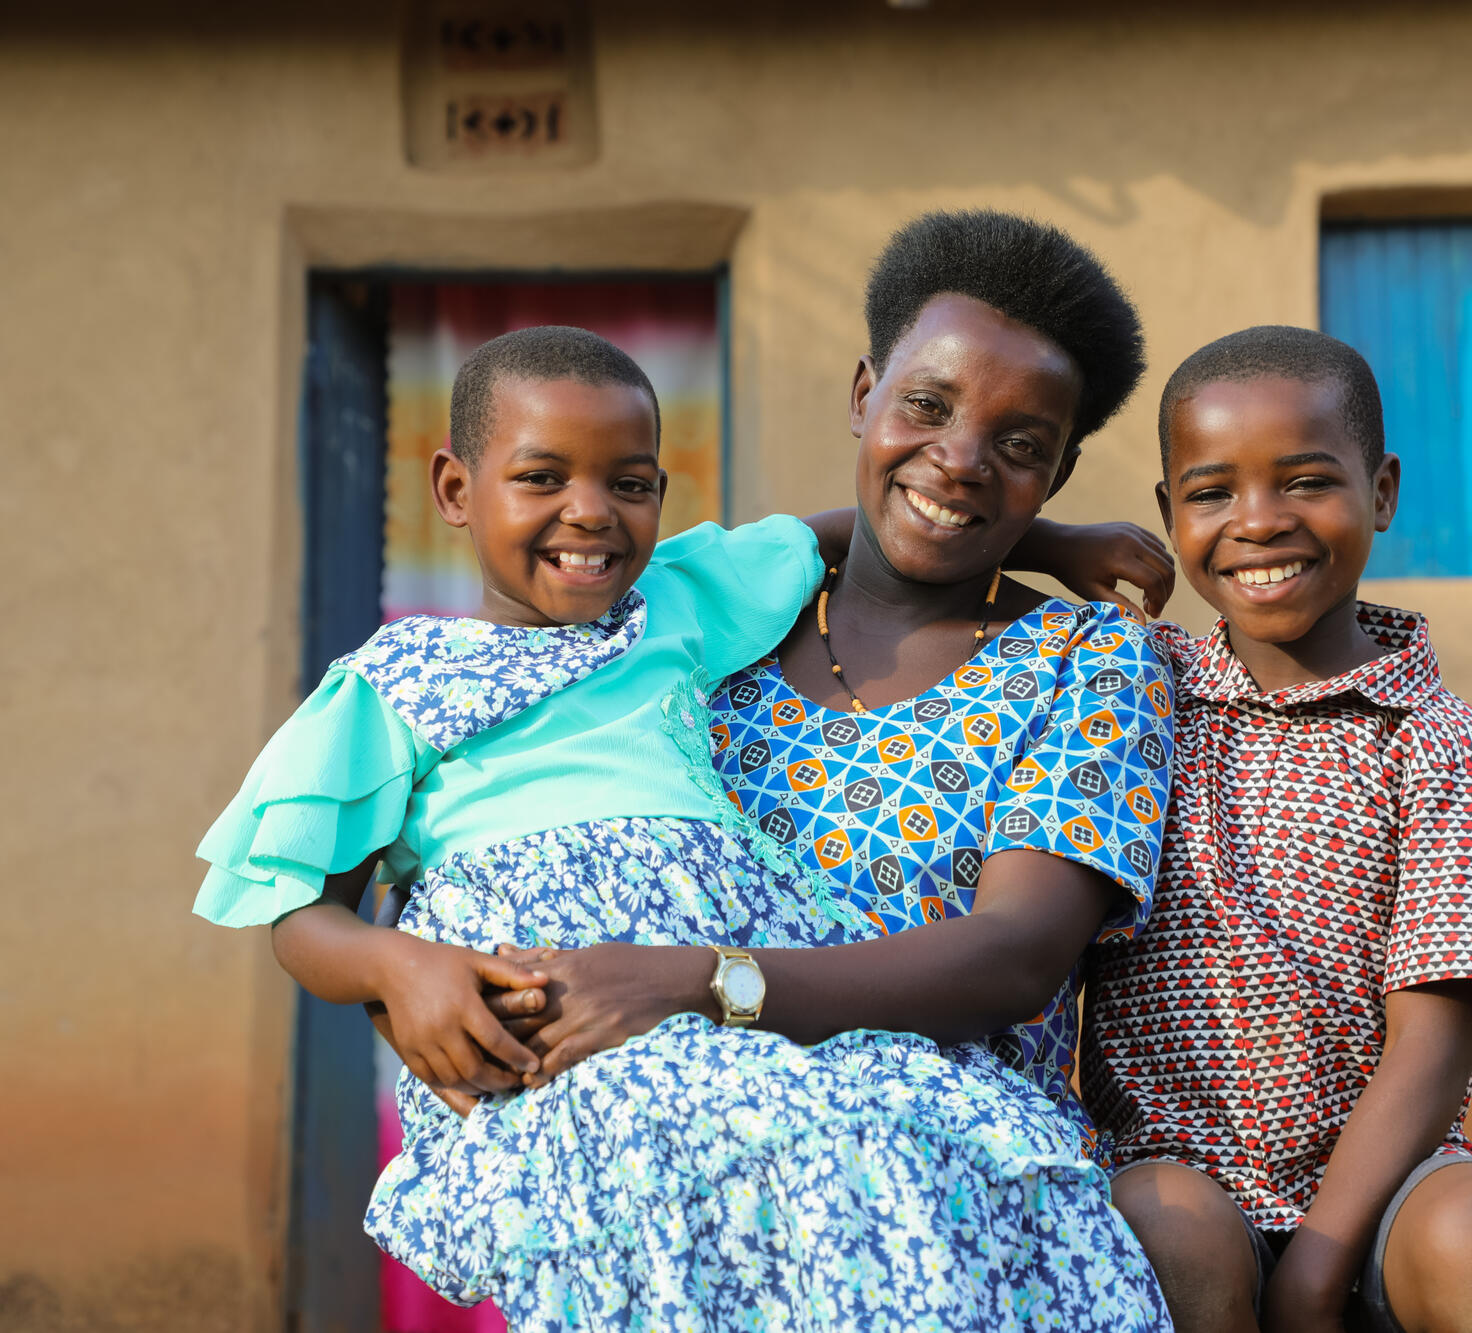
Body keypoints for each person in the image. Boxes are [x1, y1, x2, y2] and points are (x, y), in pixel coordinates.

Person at [193, 321, 1175, 1331]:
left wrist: (1046, 541)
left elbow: (838, 534)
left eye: (628, 483)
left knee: (890, 1137)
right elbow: (299, 909)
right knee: (703, 1176)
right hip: (551, 1012)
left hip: (735, 995)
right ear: (453, 489)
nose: (590, 511)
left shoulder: (671, 605)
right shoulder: (388, 684)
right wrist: (400, 968)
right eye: (541, 478)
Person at [487, 209, 1178, 1174]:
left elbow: (1015, 955)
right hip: (657, 1144)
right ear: (864, 394)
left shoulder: (1088, 661)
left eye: (1020, 446)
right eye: (927, 406)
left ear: (1057, 474)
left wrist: (702, 985)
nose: (961, 458)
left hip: (953, 1168)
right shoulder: (707, 630)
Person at [1081, 325, 1472, 1333]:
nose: (1259, 522)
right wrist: (1054, 543)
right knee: (1163, 1231)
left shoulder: (1448, 751)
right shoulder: (1131, 698)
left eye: (1305, 481)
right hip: (1175, 1178)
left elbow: (1434, 1040)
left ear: (1381, 491)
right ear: (1168, 514)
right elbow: (931, 567)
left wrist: (1315, 1267)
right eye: (1211, 492)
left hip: (1385, 1193)